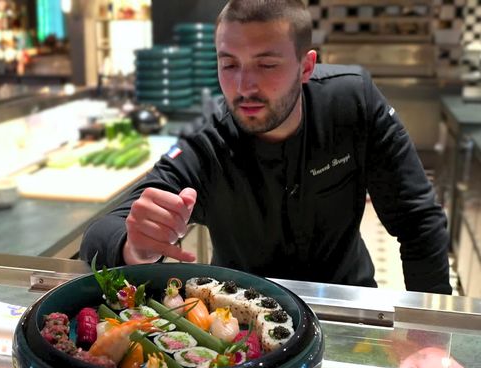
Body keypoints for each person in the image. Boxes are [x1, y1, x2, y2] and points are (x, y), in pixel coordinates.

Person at [80, 0, 451, 294]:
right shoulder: (206, 145)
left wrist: (431, 336)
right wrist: (134, 246)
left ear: (306, 68)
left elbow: (417, 220)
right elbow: (100, 234)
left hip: (347, 301)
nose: (244, 87)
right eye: (229, 65)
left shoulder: (351, 103)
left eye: (267, 64)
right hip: (244, 319)